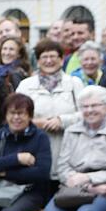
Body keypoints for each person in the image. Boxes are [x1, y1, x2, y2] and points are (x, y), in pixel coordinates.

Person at [16, 38, 83, 182]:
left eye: (53, 56)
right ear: (38, 61)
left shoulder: (74, 84)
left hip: (68, 148)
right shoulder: (25, 85)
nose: (48, 61)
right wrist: (34, 123)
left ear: (61, 59)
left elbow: (87, 115)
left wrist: (62, 121)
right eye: (44, 57)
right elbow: (15, 116)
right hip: (35, 148)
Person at [0, 35, 30, 127]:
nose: (7, 53)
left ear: (19, 54)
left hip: (8, 123)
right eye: (4, 49)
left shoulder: (16, 73)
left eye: (11, 49)